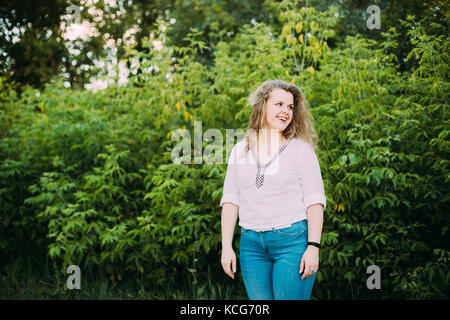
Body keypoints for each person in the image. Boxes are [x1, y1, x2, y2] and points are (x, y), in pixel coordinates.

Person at [220, 79, 326, 300]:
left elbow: (315, 202)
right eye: (279, 104)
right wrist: (226, 246)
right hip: (251, 247)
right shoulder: (241, 150)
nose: (286, 111)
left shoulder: (301, 150)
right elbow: (231, 200)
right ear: (262, 106)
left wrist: (313, 246)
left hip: (292, 243)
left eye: (290, 107)